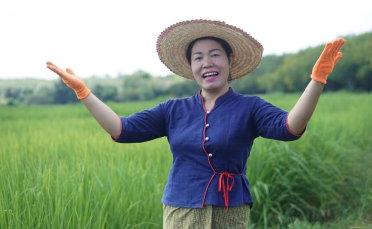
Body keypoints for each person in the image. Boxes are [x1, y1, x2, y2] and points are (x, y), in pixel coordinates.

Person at [46, 19, 345, 229]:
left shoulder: (250, 107)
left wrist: (316, 81)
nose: (207, 63)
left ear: (229, 60)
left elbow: (291, 127)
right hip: (181, 213)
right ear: (191, 68)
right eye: (198, 58)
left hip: (231, 212)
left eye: (215, 55)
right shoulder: (172, 110)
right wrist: (84, 94)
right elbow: (121, 129)